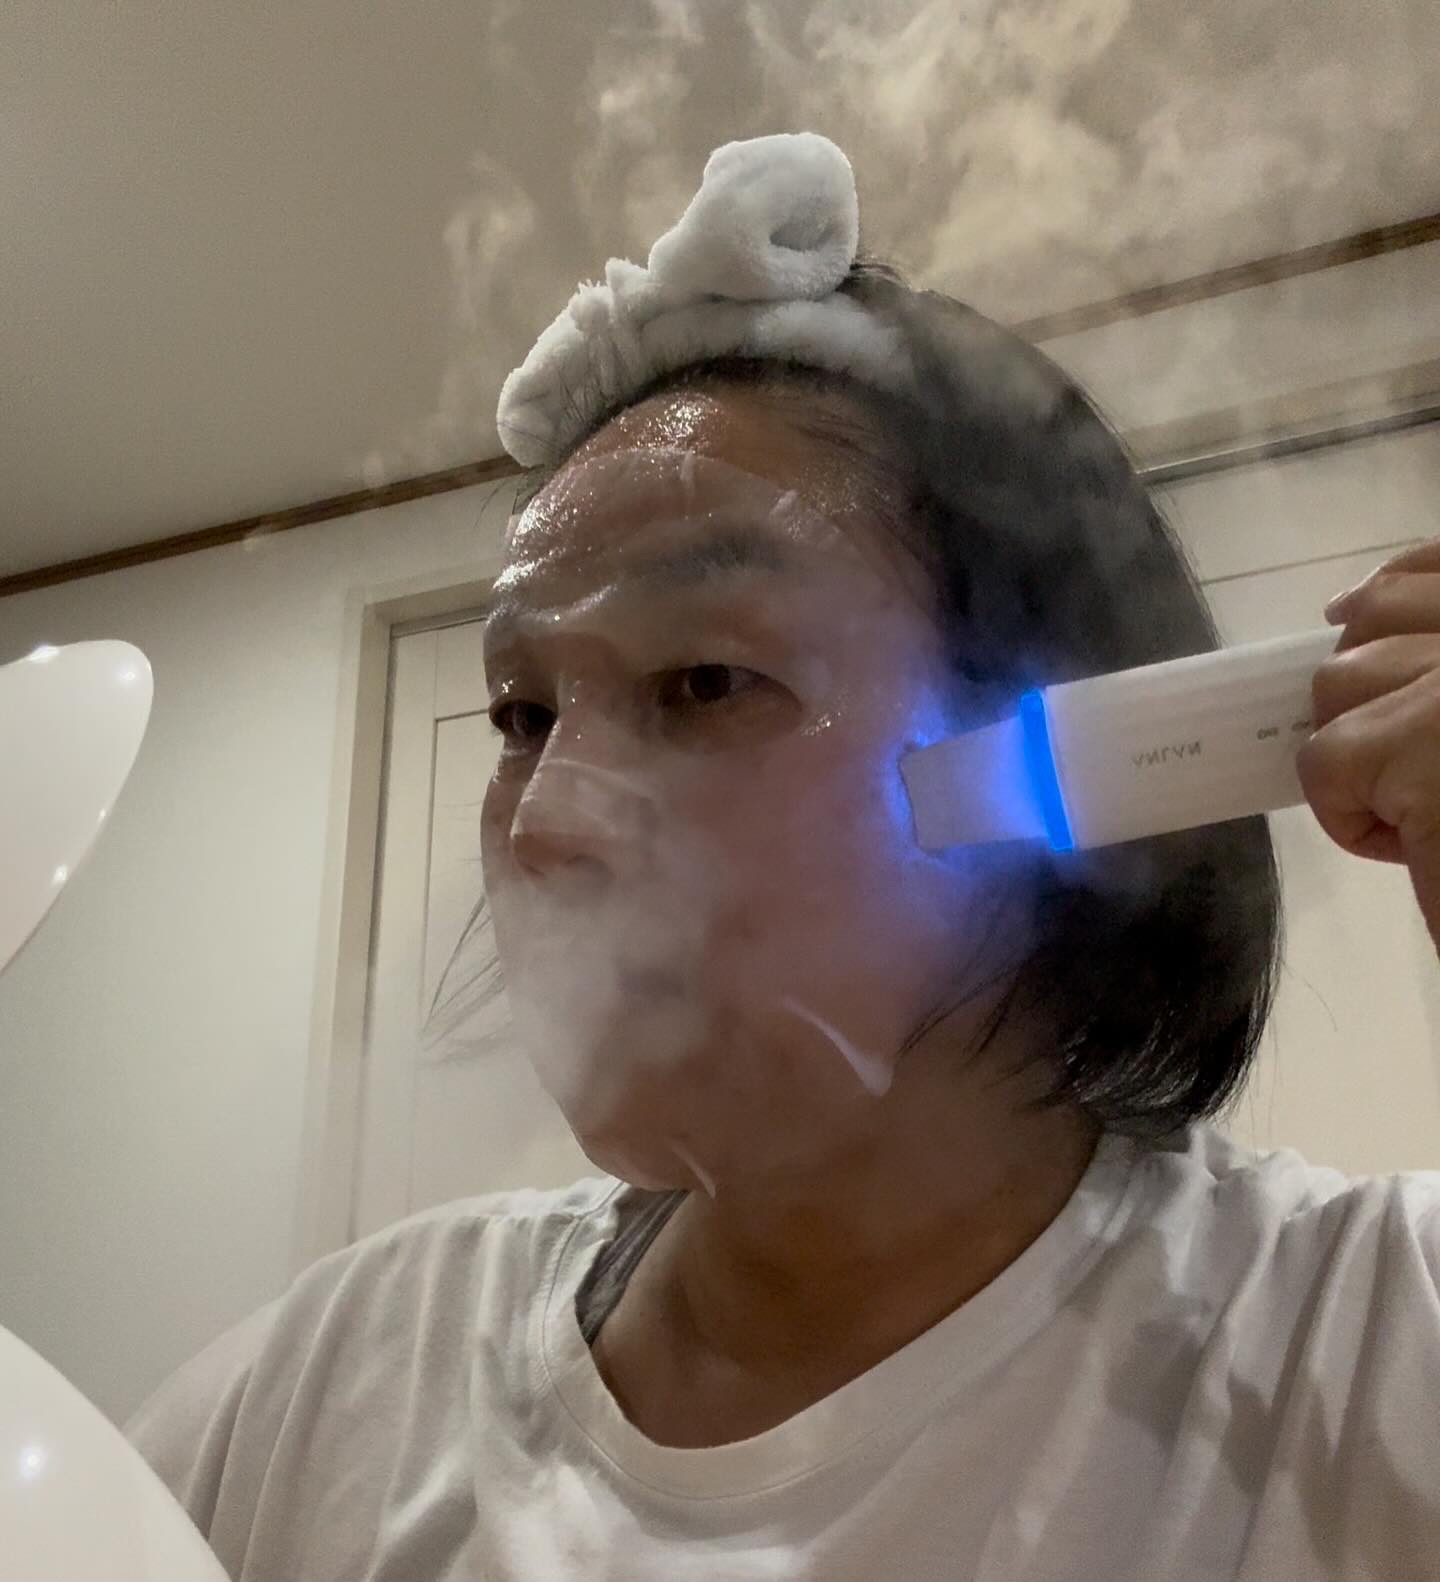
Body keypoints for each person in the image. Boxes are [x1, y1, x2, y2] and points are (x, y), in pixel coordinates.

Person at [128, 134, 1440, 1580]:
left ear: (1057, 752)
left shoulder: (1370, 1339)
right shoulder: (340, 1375)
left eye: (704, 682)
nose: (546, 820)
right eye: (521, 714)